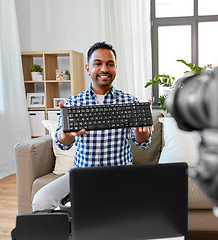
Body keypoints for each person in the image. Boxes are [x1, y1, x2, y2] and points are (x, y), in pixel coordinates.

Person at [32, 41, 153, 211]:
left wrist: (142, 130)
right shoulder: (74, 102)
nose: (104, 69)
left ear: (115, 68)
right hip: (82, 174)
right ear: (88, 68)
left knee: (147, 202)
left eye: (110, 64)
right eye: (98, 64)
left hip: (121, 175)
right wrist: (66, 135)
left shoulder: (129, 101)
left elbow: (143, 142)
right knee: (42, 199)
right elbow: (62, 142)